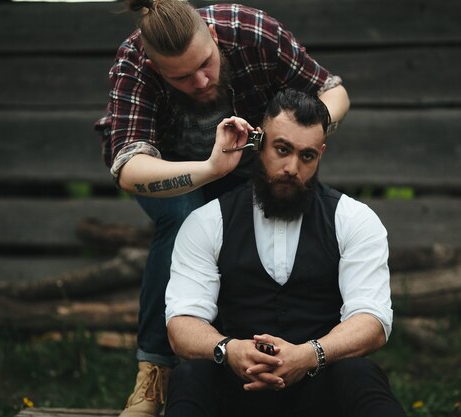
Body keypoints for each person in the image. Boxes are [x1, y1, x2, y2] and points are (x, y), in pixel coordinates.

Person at [94, 0, 349, 415]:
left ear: (213, 38)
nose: (200, 80)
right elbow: (129, 168)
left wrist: (290, 137)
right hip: (172, 171)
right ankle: (154, 373)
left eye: (206, 64)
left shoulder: (249, 30)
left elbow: (333, 92)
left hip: (253, 164)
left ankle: (281, 360)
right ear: (157, 68)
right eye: (182, 76)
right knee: (184, 220)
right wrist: (211, 169)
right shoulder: (133, 64)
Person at [164, 89, 406, 416]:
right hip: (237, 391)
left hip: (317, 392)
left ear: (320, 154)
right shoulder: (208, 221)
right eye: (282, 149)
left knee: (359, 375)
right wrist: (229, 349)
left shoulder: (354, 220)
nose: (292, 167)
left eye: (306, 156)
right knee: (191, 376)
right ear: (259, 143)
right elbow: (182, 324)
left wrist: (310, 355)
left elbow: (372, 321)